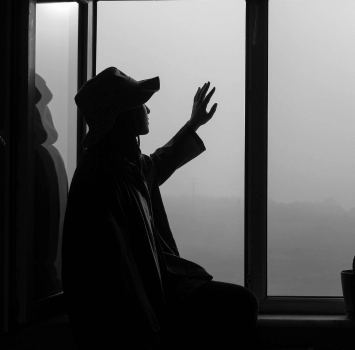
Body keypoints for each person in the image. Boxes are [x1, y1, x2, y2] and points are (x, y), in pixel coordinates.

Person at [62, 67, 258, 349]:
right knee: (240, 305)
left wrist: (193, 124)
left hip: (153, 300)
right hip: (137, 317)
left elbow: (159, 162)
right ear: (124, 115)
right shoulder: (100, 175)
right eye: (141, 104)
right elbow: (117, 271)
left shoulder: (122, 165)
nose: (148, 110)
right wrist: (148, 331)